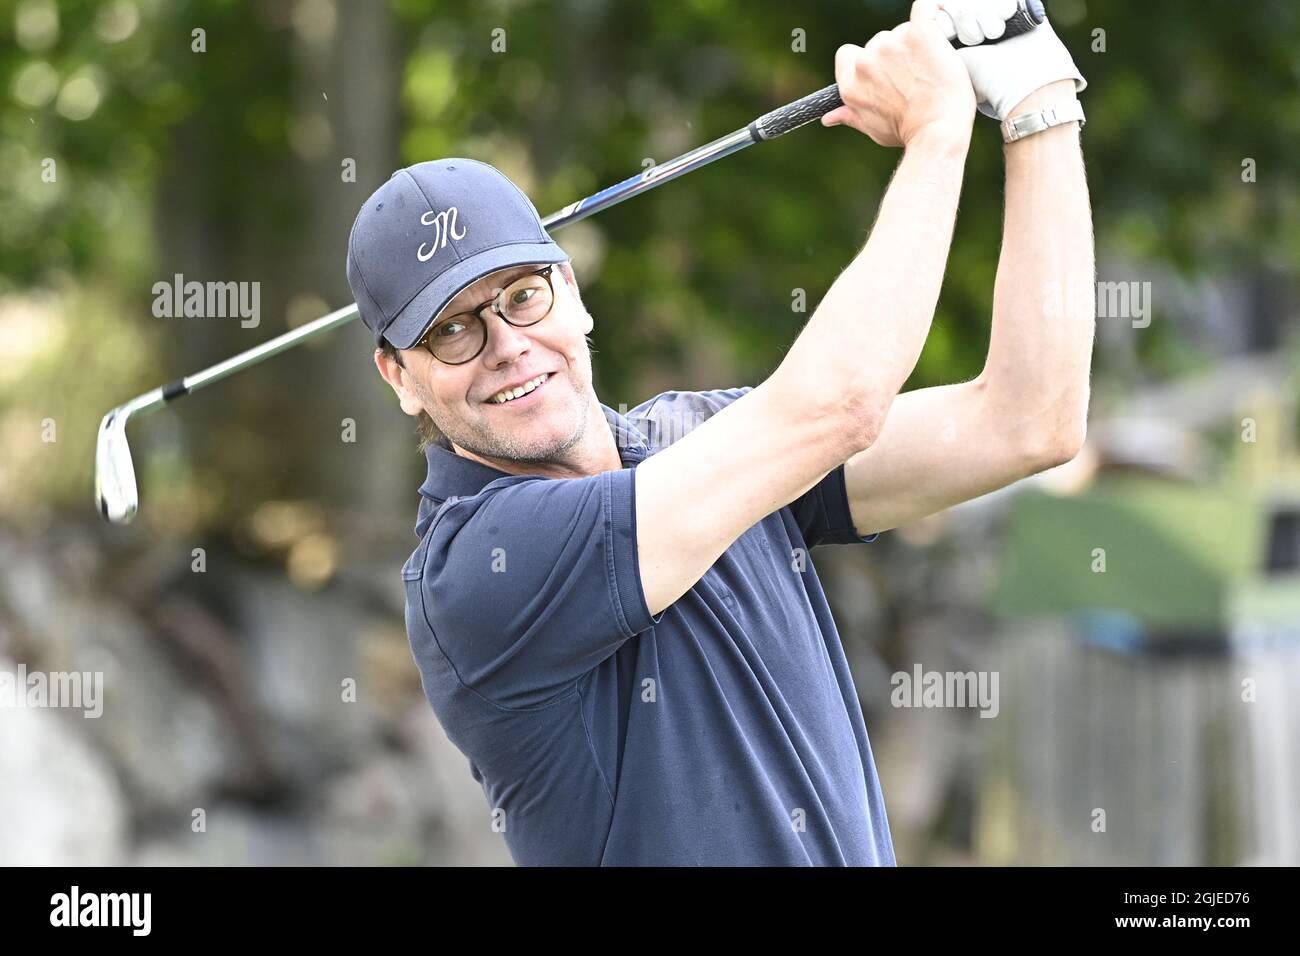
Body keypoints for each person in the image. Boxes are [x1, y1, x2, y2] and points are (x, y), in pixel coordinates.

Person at [344, 0, 1093, 865]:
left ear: (574, 293)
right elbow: (839, 403)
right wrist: (937, 132)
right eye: (452, 330)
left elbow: (1027, 419)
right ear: (399, 378)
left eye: (521, 296)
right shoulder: (477, 570)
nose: (508, 347)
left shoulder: (703, 437)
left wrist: (1036, 94)